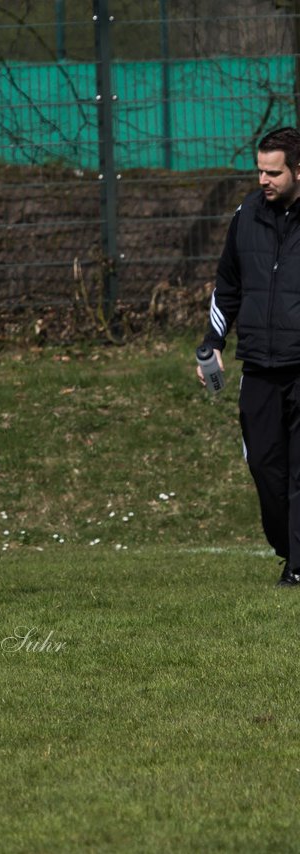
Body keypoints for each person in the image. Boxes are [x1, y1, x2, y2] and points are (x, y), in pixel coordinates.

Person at [200, 126, 300, 587]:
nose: (263, 179)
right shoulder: (246, 216)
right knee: (263, 463)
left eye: (273, 172)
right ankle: (288, 547)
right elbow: (227, 286)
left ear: (298, 171)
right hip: (258, 365)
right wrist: (213, 344)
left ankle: (296, 566)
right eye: (259, 170)